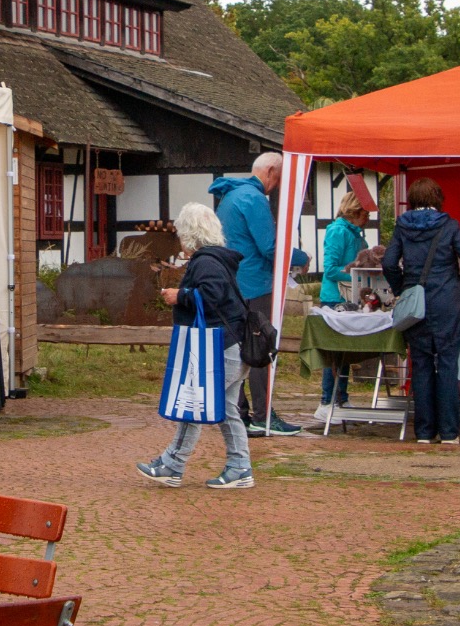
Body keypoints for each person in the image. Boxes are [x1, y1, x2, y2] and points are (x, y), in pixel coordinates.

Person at [138, 202, 254, 490]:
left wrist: (180, 295)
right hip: (235, 344)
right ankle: (240, 467)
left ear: (189, 234)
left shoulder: (205, 262)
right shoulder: (219, 259)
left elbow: (211, 295)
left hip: (221, 348)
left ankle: (172, 464)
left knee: (193, 404)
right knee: (227, 410)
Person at [210, 154, 303, 438]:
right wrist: (301, 257)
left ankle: (238, 412)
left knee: (236, 349)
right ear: (271, 171)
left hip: (232, 283)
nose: (278, 185)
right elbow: (270, 247)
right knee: (261, 348)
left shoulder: (229, 196)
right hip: (255, 284)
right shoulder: (254, 198)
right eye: (279, 178)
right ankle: (264, 416)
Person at [383, 177, 460, 444]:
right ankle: (449, 432)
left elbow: (389, 263)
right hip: (447, 301)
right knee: (447, 366)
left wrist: (402, 288)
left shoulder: (403, 226)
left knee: (422, 366)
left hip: (417, 304)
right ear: (438, 198)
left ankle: (424, 432)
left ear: (412, 200)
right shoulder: (449, 225)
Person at [315, 191, 371, 410]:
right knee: (334, 352)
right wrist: (359, 276)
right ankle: (327, 400)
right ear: (355, 211)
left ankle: (341, 397)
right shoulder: (338, 231)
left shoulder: (356, 234)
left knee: (345, 352)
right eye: (365, 213)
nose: (368, 218)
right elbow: (330, 269)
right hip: (335, 298)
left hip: (350, 296)